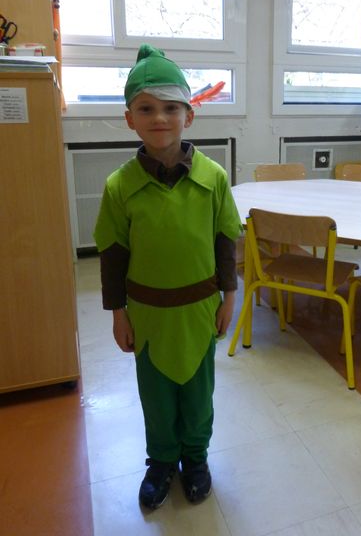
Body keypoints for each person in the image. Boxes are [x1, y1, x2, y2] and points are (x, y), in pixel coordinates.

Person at [94, 44, 242, 510]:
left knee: (198, 394)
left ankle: (195, 459)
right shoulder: (120, 186)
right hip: (148, 314)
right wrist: (118, 314)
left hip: (199, 311)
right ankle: (160, 462)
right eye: (146, 109)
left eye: (171, 108)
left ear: (189, 116)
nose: (159, 118)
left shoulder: (213, 178)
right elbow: (112, 255)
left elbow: (225, 240)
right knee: (156, 396)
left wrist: (230, 297)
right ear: (129, 119)